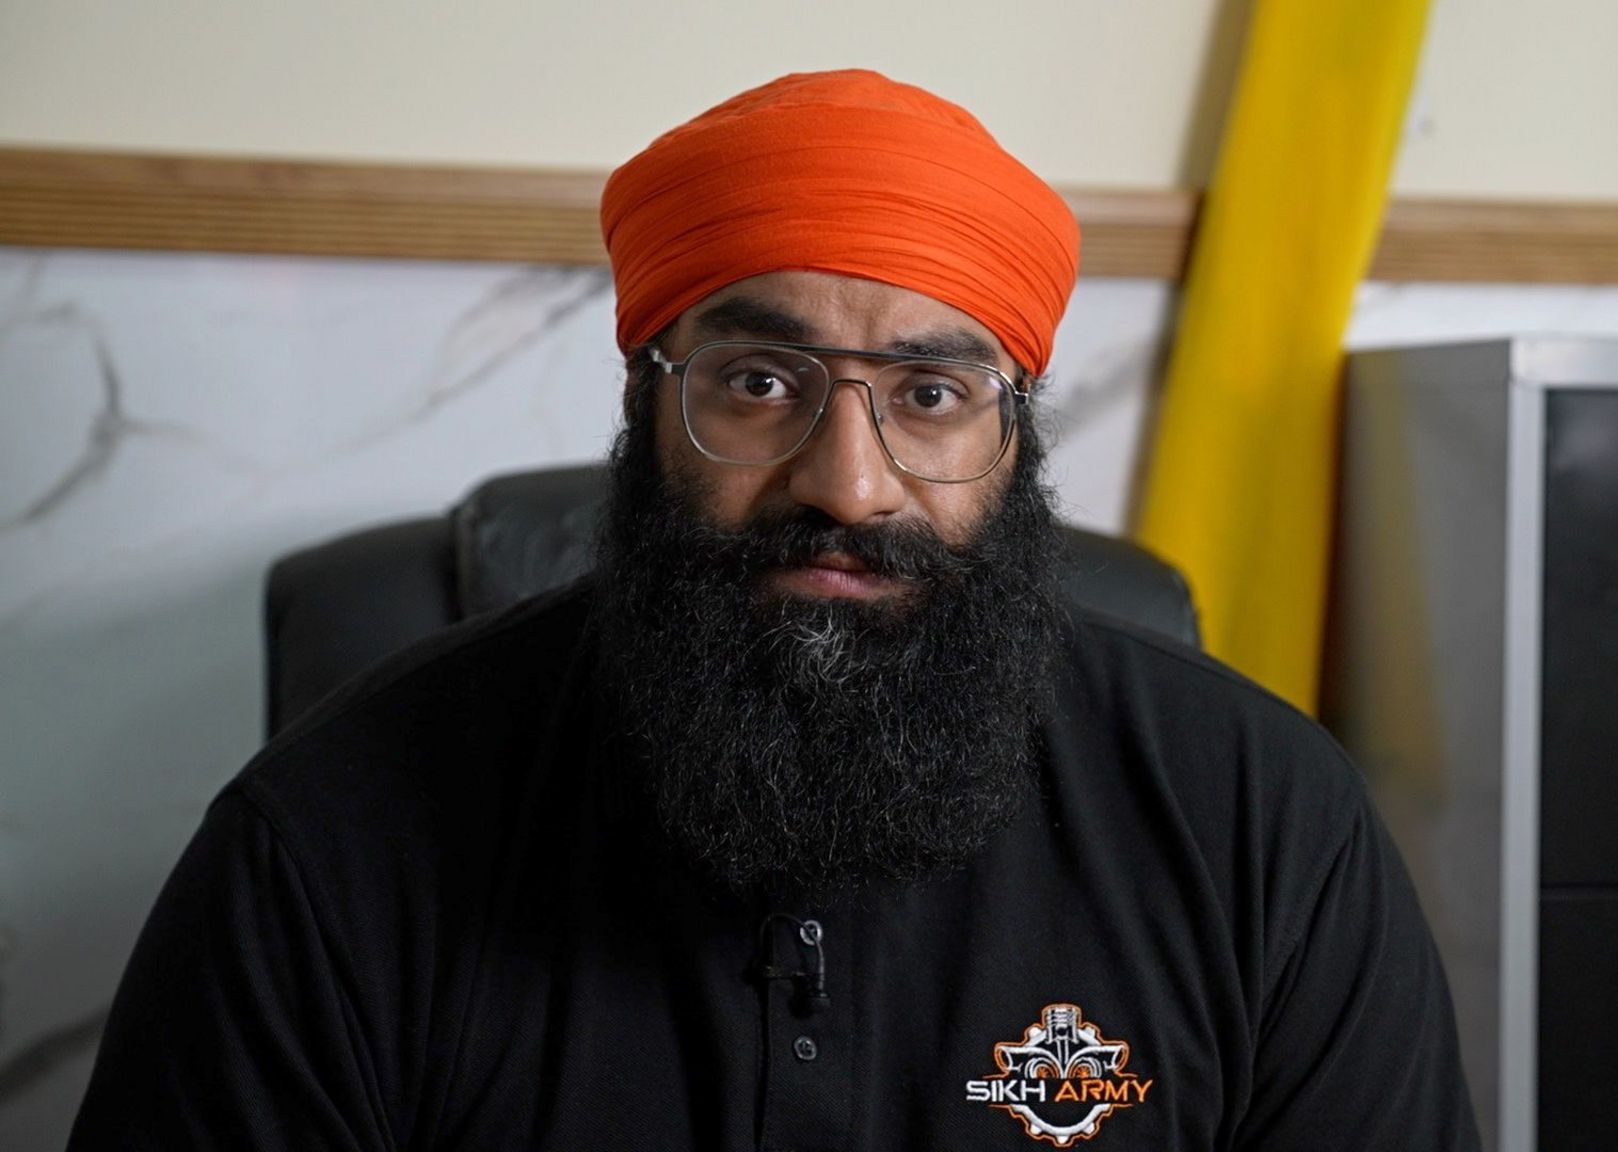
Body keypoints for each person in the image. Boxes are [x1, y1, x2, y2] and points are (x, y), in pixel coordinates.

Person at [69, 70, 1478, 1150]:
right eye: (759, 384)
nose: (848, 483)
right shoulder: (333, 841)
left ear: (1015, 433)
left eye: (930, 395)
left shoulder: (1259, 821)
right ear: (649, 405)